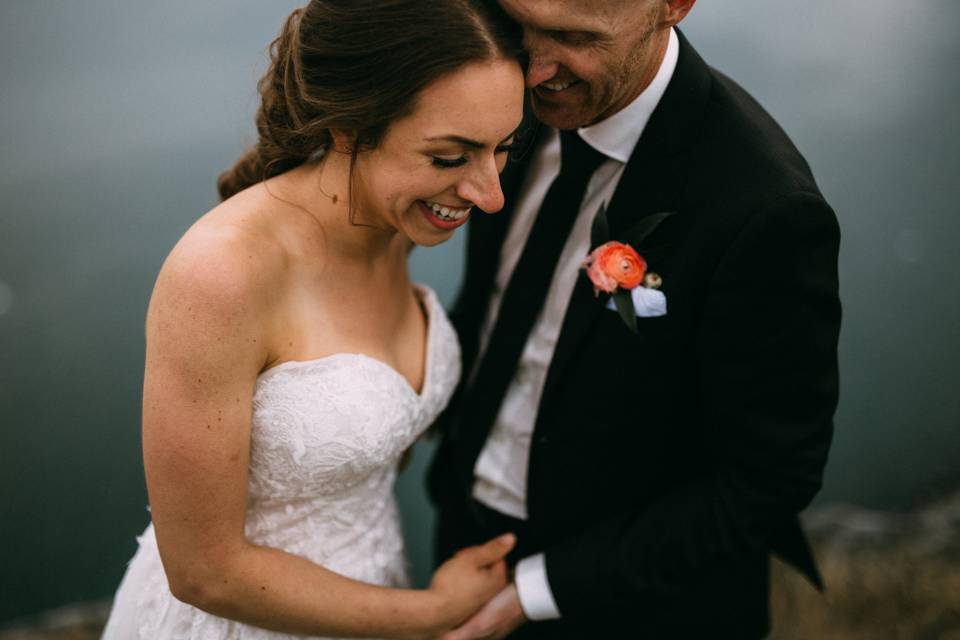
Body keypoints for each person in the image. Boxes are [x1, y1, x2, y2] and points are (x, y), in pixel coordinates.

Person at [100, 1, 528, 638]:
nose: (490, 195)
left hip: (365, 592)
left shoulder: (393, 222)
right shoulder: (221, 276)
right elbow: (203, 571)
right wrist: (432, 612)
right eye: (449, 158)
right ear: (347, 128)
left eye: (504, 149)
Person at [428, 1, 842, 638]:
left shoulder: (764, 209)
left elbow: (767, 478)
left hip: (634, 602)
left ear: (673, 5)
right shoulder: (511, 100)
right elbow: (493, 306)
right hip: (464, 536)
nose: (531, 70)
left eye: (571, 37)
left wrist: (533, 591)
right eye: (516, 25)